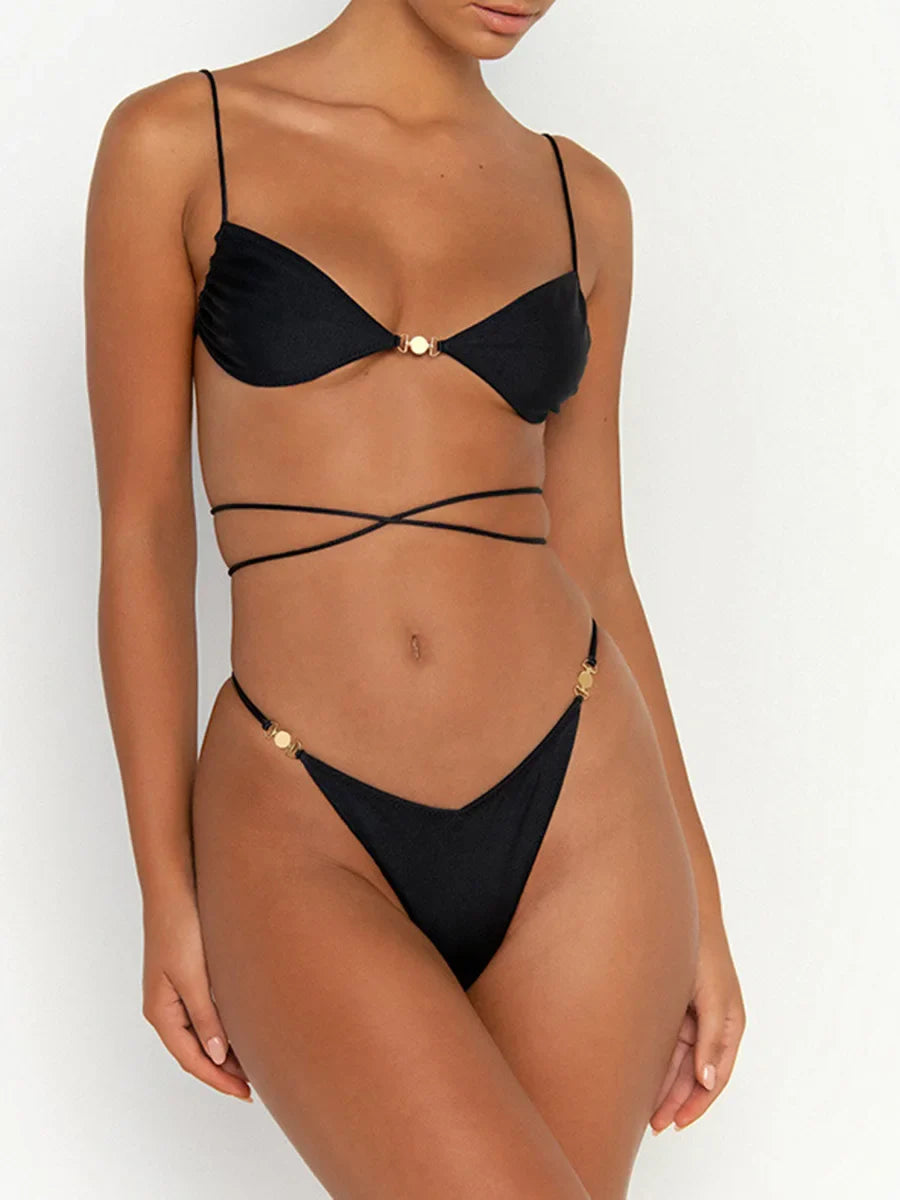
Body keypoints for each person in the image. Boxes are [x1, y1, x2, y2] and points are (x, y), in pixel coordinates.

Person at [85, 1, 745, 1195]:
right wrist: (163, 889)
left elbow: (596, 554)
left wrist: (700, 898)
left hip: (584, 815)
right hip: (298, 817)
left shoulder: (581, 200)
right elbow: (141, 533)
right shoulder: (181, 141)